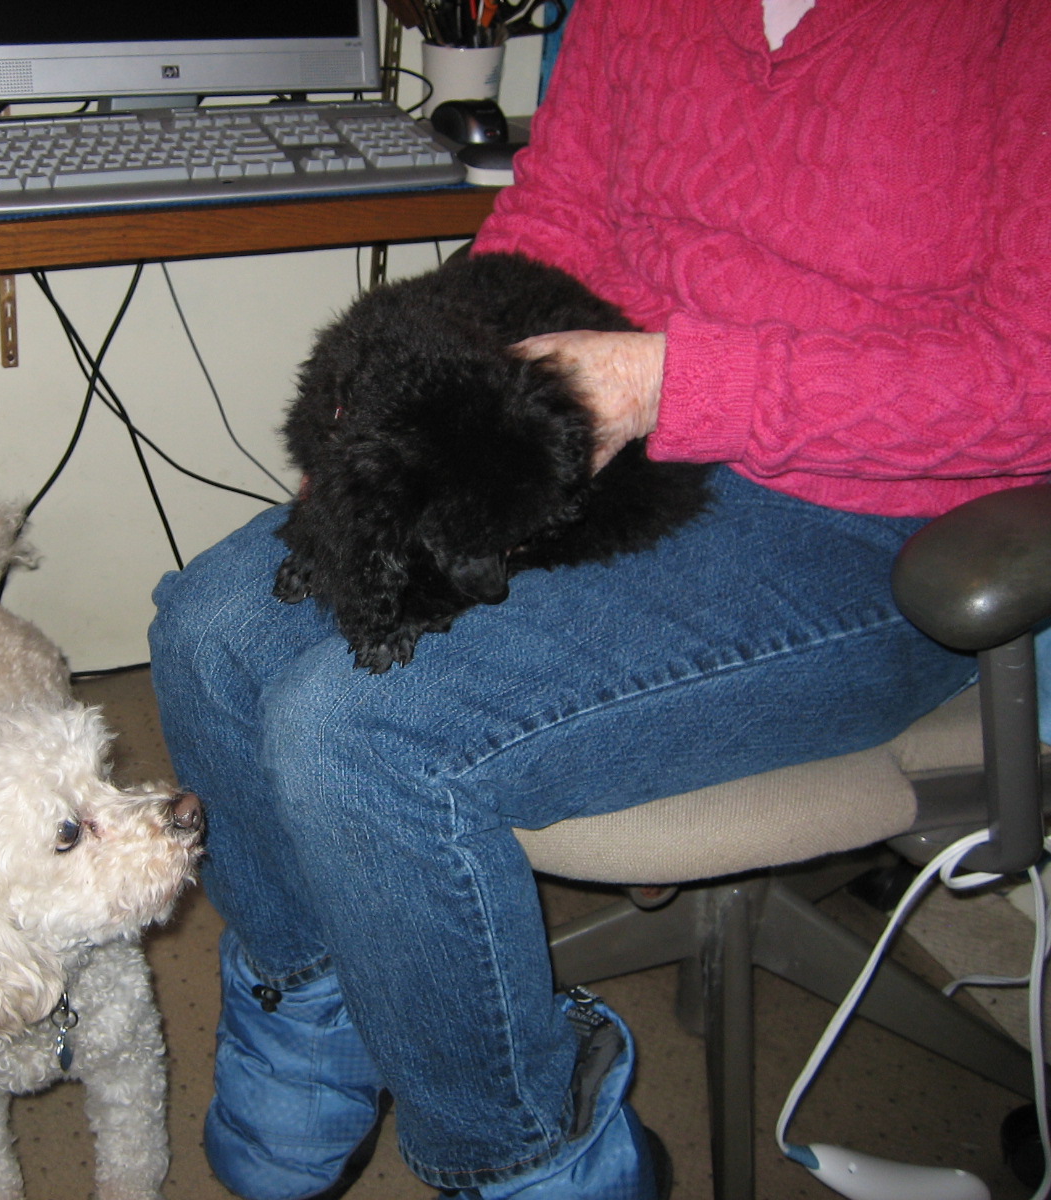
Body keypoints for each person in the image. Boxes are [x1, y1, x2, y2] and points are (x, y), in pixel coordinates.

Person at [147, 0, 1051, 1196]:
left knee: (360, 731)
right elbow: (556, 221)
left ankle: (529, 1156)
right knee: (210, 629)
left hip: (874, 517)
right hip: (601, 433)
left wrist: (670, 379)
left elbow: (1027, 376)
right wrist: (416, 396)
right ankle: (318, 997)